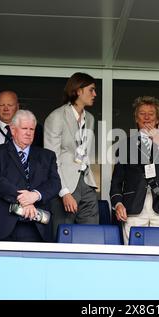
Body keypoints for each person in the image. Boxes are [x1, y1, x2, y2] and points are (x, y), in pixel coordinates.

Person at [110, 96, 159, 244]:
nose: (146, 117)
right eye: (142, 113)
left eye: (151, 114)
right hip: (133, 208)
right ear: (136, 119)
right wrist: (118, 203)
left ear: (158, 119)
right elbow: (117, 180)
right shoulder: (126, 144)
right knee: (133, 255)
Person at [0, 110, 61, 242]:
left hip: (36, 226)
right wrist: (24, 199)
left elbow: (55, 183)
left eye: (32, 129)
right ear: (13, 129)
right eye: (24, 128)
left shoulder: (47, 156)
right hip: (1, 225)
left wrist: (35, 195)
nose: (28, 133)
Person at [44, 73, 99, 240]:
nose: (95, 94)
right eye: (91, 90)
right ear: (78, 91)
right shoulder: (56, 117)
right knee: (63, 234)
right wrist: (64, 192)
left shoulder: (89, 118)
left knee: (90, 235)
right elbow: (51, 159)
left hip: (86, 181)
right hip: (65, 184)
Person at [0, 90, 44, 217]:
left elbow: (39, 167)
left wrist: (31, 198)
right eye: (1, 105)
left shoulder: (35, 130)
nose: (5, 109)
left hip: (26, 202)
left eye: (10, 105)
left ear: (18, 107)